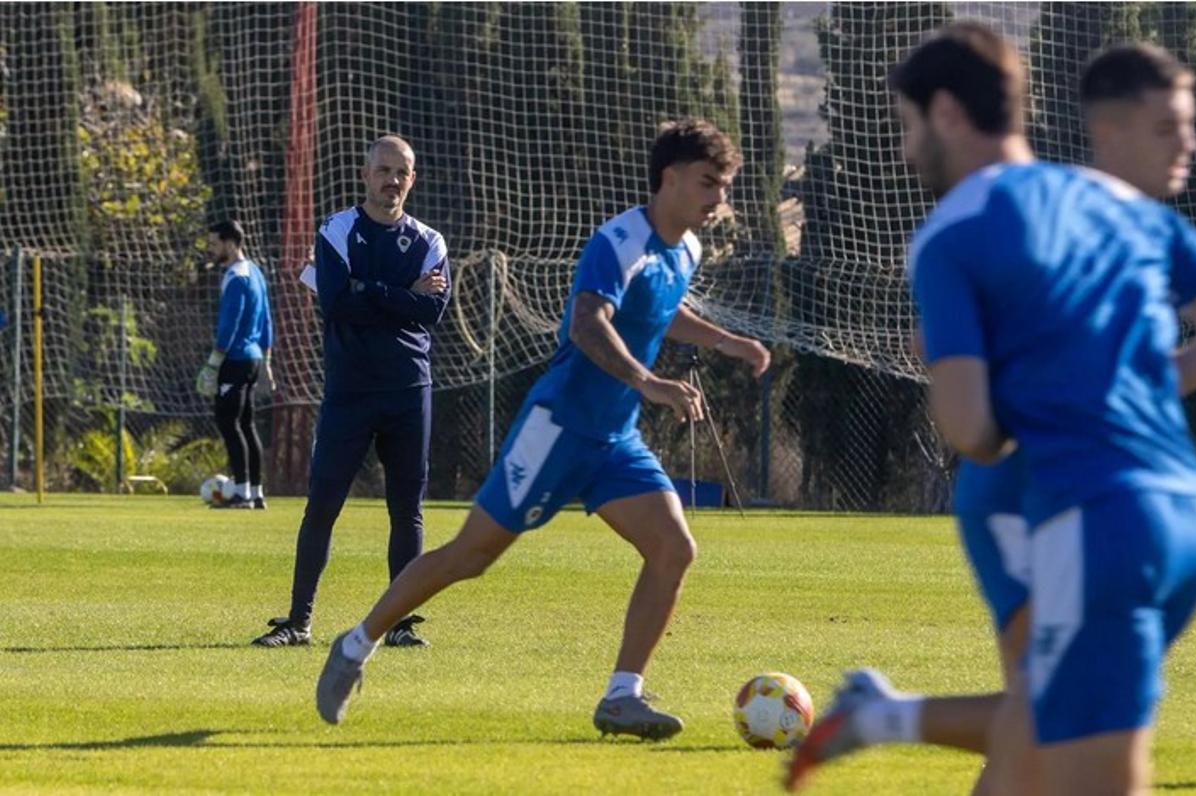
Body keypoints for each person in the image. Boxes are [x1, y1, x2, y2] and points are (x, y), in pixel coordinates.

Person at [787, 25, 1196, 794]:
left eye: (908, 127)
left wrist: (986, 372)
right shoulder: (1110, 198)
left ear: (946, 112)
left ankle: (882, 717)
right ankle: (883, 717)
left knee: (1083, 768)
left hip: (1094, 518)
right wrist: (1132, 381)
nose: (907, 153)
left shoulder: (954, 235)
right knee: (1046, 729)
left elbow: (971, 431)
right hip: (1181, 516)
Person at [314, 118, 770, 739]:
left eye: (724, 185)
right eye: (709, 183)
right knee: (469, 557)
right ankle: (356, 643)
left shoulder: (685, 248)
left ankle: (621, 695)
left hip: (614, 440)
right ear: (670, 179)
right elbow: (589, 324)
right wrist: (649, 382)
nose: (720, 198)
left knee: (674, 549)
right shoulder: (618, 241)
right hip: (555, 430)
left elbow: (664, 309)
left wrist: (727, 342)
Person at [251, 135, 449, 649]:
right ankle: (298, 622)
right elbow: (337, 305)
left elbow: (432, 312)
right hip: (349, 392)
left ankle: (402, 625)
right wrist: (400, 295)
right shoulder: (338, 231)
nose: (391, 181)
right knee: (322, 505)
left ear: (412, 178)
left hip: (409, 388)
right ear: (366, 174)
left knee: (407, 509)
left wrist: (369, 290)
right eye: (383, 170)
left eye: (400, 173)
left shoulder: (430, 241)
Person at [197, 220, 274, 511]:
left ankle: (241, 492)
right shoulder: (255, 272)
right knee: (245, 423)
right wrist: (267, 362)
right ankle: (255, 492)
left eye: (214, 244)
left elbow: (230, 322)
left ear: (230, 243)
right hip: (253, 358)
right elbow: (267, 319)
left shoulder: (236, 275)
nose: (212, 249)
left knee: (228, 423)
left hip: (236, 358)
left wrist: (214, 362)